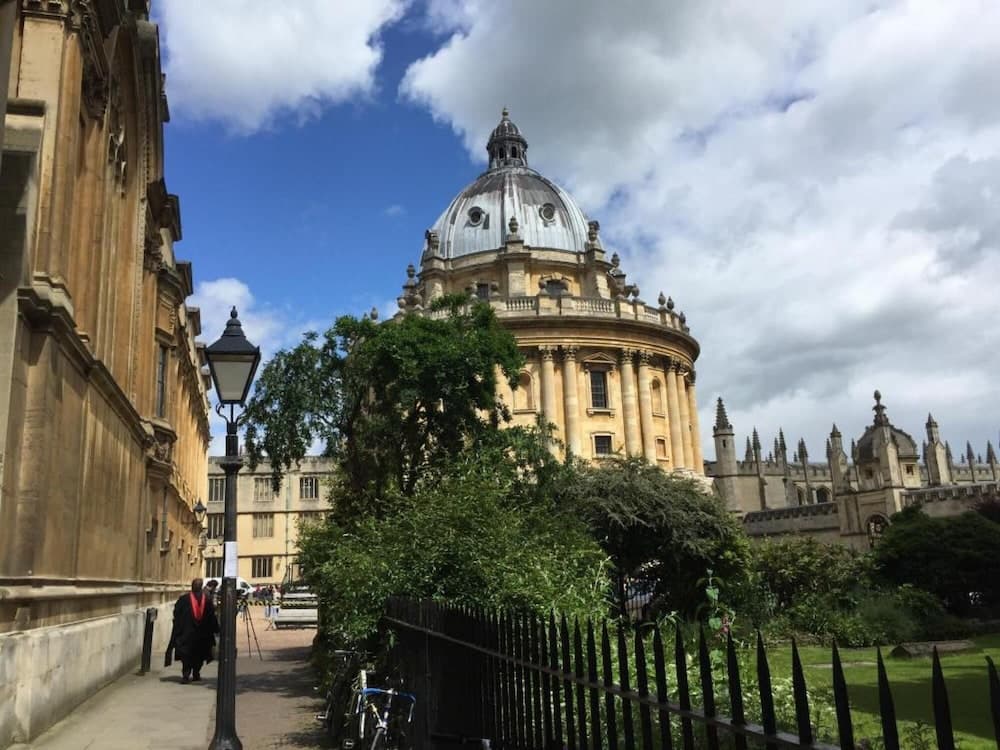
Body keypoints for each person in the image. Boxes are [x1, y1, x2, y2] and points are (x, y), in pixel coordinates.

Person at [167, 577, 219, 683]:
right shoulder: (207, 600)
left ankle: (186, 675)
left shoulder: (183, 599)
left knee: (186, 656)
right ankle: (196, 673)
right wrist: (216, 629)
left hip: (187, 633)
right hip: (202, 634)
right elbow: (212, 617)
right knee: (199, 655)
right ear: (201, 587)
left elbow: (176, 613)